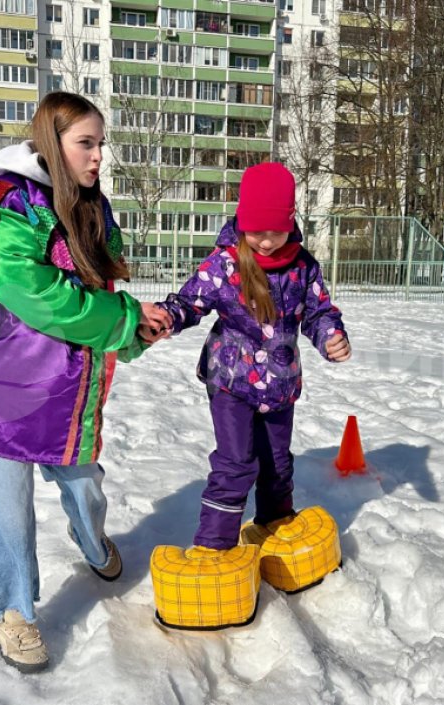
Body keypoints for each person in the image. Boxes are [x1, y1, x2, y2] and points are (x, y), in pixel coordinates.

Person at [0, 92, 171, 673]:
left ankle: (91, 543)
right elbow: (34, 294)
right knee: (8, 515)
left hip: (64, 394)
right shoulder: (8, 207)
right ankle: (13, 613)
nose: (99, 156)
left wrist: (134, 331)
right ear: (53, 142)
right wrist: (123, 319)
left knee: (85, 488)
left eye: (101, 144)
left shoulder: (93, 208)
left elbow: (98, 293)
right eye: (86, 144)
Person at [157, 161, 351, 555]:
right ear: (243, 222)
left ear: (290, 223)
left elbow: (318, 312)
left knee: (277, 461)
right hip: (232, 381)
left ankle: (275, 521)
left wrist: (331, 336)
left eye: (275, 232)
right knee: (236, 462)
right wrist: (167, 318)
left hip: (280, 382)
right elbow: (190, 301)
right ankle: (215, 544)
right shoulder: (225, 264)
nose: (265, 242)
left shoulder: (302, 266)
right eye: (257, 232)